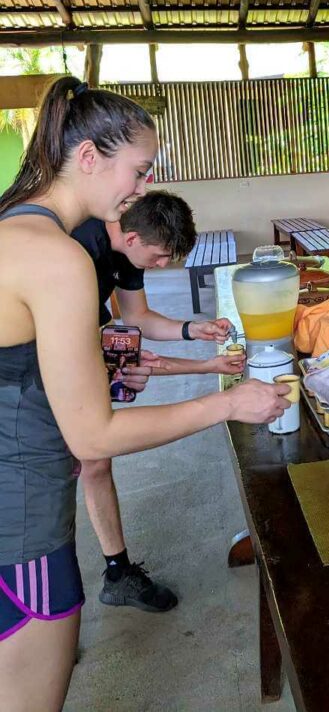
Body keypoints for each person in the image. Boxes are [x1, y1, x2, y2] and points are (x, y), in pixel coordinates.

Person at [0, 76, 290, 712]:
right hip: (19, 516)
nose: (138, 190)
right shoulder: (58, 258)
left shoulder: (13, 226)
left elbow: (84, 355)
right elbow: (94, 436)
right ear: (87, 159)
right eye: (138, 170)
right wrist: (227, 401)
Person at [71, 191, 245, 614]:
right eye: (161, 255)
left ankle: (116, 573)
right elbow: (94, 343)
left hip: (81, 343)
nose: (164, 265)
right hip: (39, 361)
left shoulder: (126, 250)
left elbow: (138, 320)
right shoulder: (76, 251)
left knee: (94, 460)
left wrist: (193, 330)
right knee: (84, 455)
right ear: (132, 237)